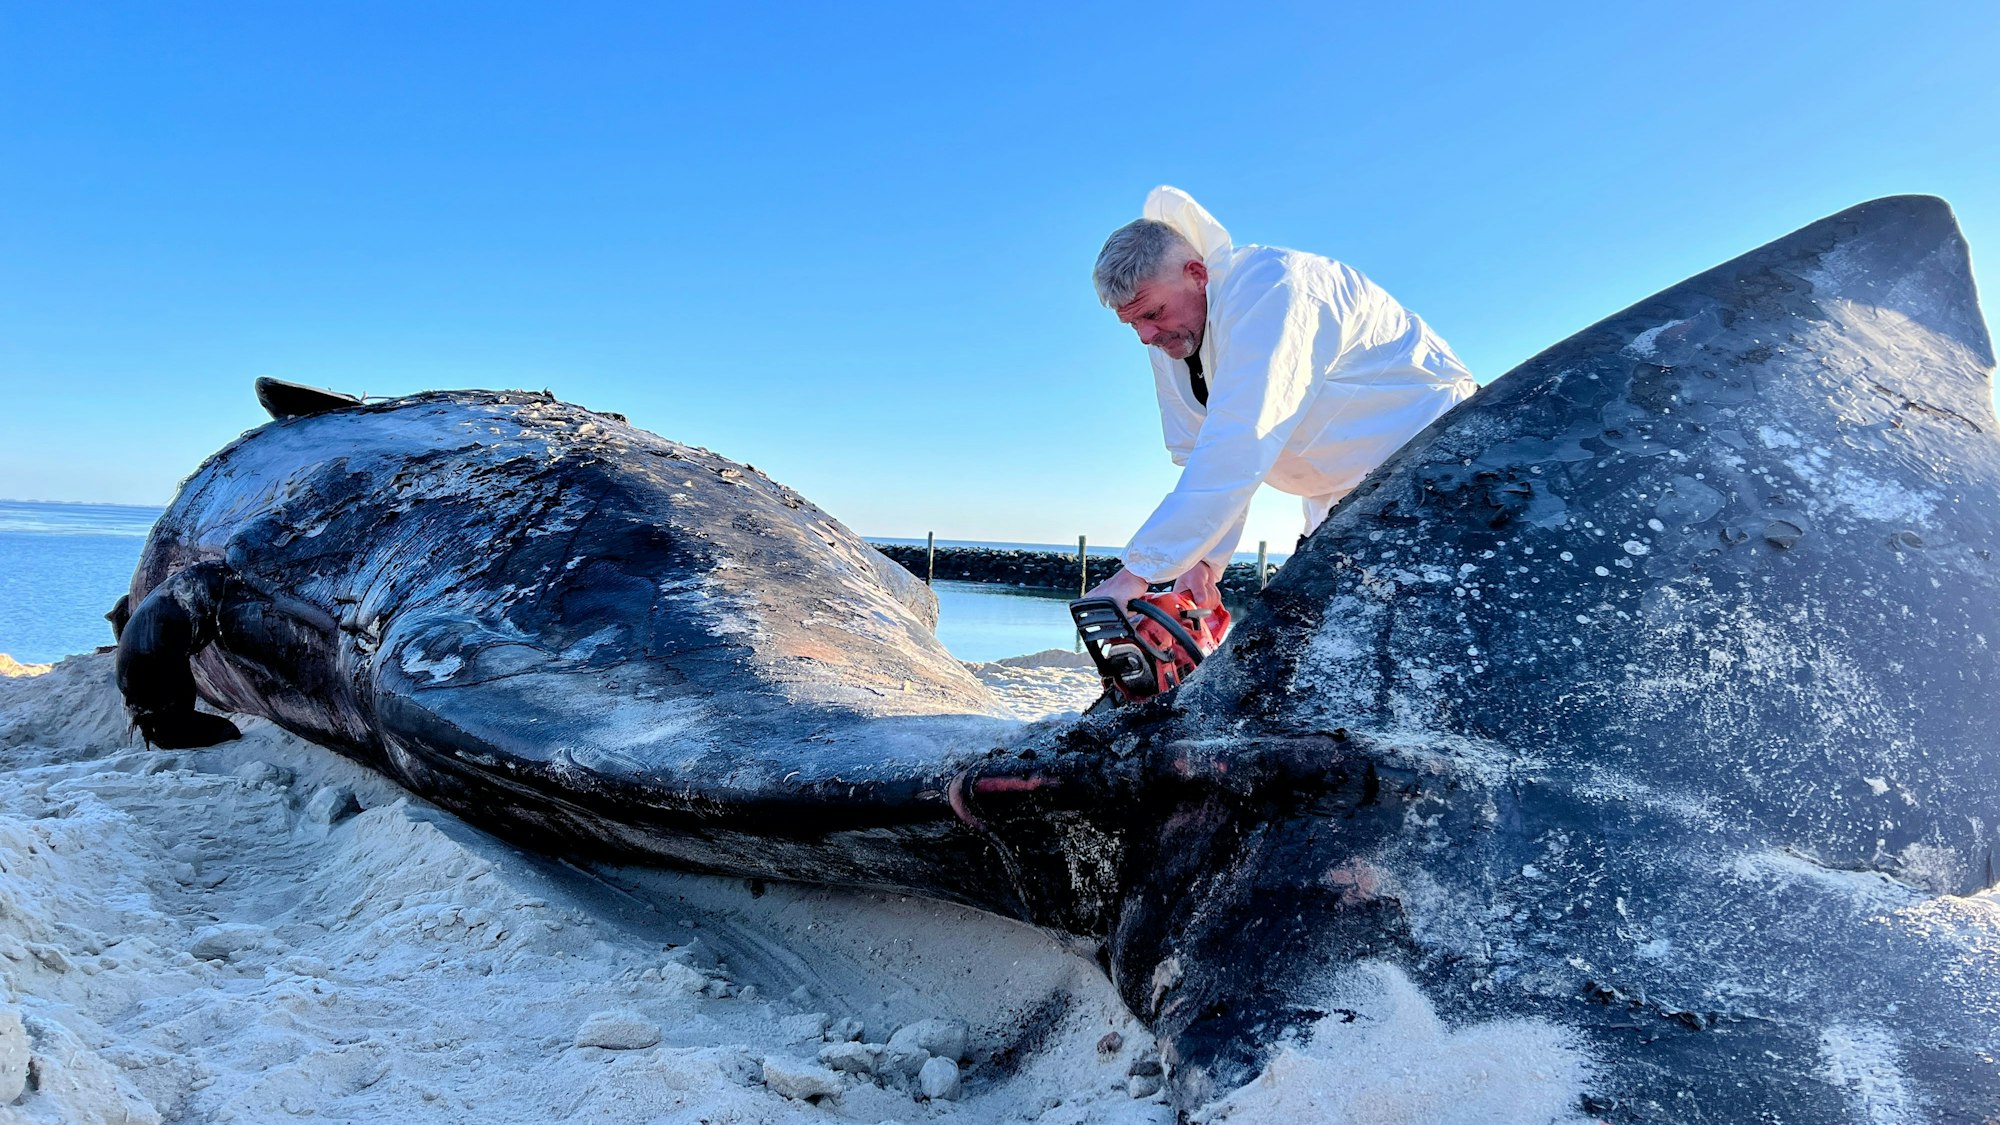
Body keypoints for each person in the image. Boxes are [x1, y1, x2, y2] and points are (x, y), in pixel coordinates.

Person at [1084, 186, 1477, 608]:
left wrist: (1139, 573)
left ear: (1197, 273)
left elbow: (1241, 439)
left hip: (1436, 459)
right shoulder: (1173, 336)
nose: (1146, 336)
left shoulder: (1271, 288)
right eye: (1132, 325)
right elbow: (1200, 455)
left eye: (1152, 313)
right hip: (1337, 492)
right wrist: (1202, 561)